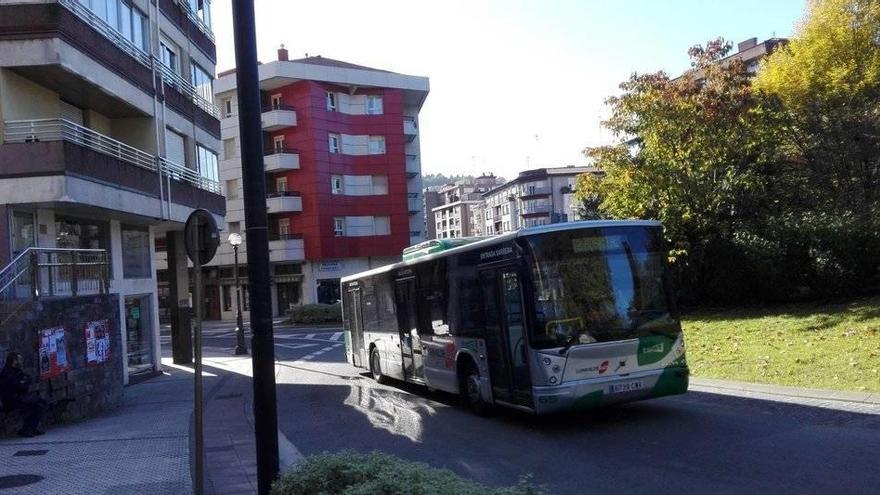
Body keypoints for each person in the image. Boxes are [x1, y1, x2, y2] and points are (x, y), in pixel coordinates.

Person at [0, 352, 46, 438]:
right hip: (11, 400)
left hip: (21, 397)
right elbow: (18, 385)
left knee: (41, 402)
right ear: (14, 361)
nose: (21, 361)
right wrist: (23, 383)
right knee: (35, 406)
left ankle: (32, 427)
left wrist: (23, 382)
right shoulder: (7, 372)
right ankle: (26, 430)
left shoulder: (17, 370)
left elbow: (28, 379)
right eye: (19, 359)